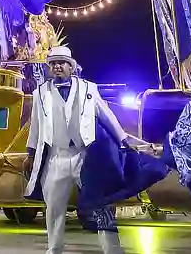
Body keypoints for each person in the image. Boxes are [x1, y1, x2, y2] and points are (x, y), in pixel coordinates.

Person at [24, 44, 166, 254]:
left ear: (71, 66)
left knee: (100, 203)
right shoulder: (40, 94)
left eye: (61, 63)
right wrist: (31, 153)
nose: (57, 67)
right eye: (53, 64)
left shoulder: (88, 88)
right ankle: (54, 249)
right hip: (56, 156)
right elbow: (35, 126)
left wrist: (122, 138)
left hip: (85, 156)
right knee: (54, 208)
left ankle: (113, 249)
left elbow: (106, 115)